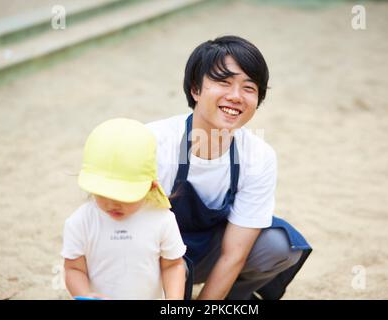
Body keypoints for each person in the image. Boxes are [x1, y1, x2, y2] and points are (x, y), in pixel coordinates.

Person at [146, 35, 312, 300]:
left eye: (249, 87)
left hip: (209, 252)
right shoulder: (155, 142)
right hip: (153, 254)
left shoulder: (259, 156)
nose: (235, 96)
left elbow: (234, 254)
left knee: (279, 245)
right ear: (195, 89)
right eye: (223, 82)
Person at [61, 118, 187, 300]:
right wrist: (86, 295)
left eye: (124, 195)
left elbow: (173, 265)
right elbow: (73, 269)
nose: (112, 203)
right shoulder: (80, 222)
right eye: (103, 193)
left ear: (150, 186)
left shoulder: (162, 219)